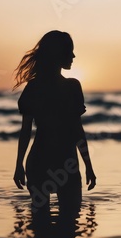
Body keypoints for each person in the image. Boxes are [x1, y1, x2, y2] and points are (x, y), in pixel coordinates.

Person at [13, 30, 96, 215]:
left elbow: (25, 131)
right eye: (70, 51)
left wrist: (19, 165)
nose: (73, 55)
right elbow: (77, 131)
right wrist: (88, 165)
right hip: (66, 164)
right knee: (70, 228)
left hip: (39, 162)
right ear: (58, 54)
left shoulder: (33, 87)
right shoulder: (72, 87)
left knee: (40, 229)